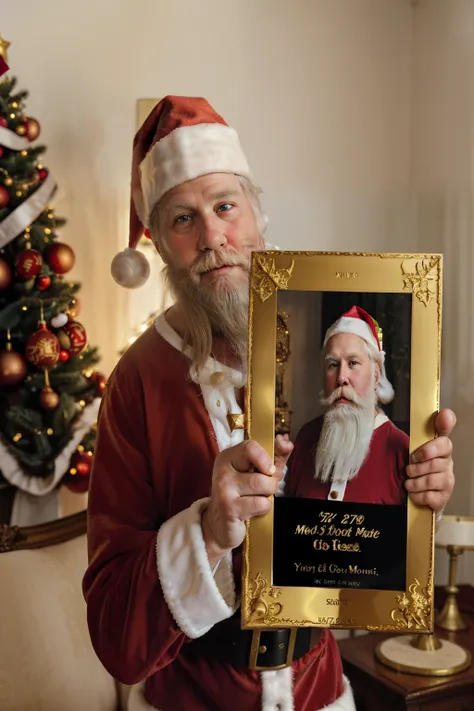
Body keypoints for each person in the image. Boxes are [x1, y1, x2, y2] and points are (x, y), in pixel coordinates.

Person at [83, 96, 455, 711]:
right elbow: (118, 642)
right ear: (157, 242)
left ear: (257, 211)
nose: (213, 238)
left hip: (322, 689)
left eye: (226, 206)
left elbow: (359, 538)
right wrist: (208, 532)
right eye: (182, 219)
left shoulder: (321, 354)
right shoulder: (136, 381)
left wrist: (414, 488)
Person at [287, 305, 409, 504]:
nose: (341, 377)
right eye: (333, 364)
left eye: (353, 363)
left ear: (376, 375)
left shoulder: (400, 449)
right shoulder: (305, 438)